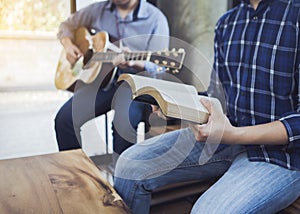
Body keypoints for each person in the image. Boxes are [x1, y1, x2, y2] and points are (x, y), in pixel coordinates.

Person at [113, 0, 300, 213]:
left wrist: (234, 134)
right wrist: (173, 102)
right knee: (129, 164)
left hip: (284, 156)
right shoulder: (227, 23)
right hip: (226, 137)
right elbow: (217, 96)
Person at [54, 0, 169, 158]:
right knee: (64, 120)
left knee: (123, 125)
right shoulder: (97, 10)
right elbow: (66, 26)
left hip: (134, 85)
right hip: (101, 83)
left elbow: (160, 67)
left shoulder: (156, 19)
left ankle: (122, 179)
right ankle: (76, 174)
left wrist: (136, 63)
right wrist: (68, 45)